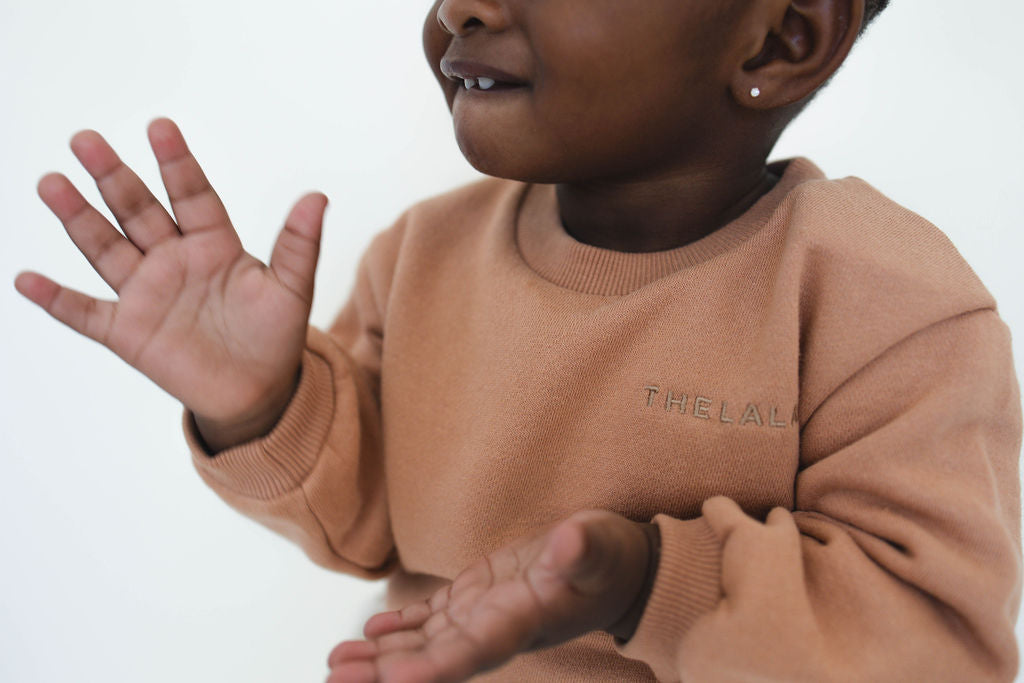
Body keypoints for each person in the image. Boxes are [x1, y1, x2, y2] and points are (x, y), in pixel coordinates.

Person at [13, 0, 1022, 680]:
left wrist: (640, 579)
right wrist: (261, 401)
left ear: (776, 42)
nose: (465, 10)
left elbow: (929, 642)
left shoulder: (885, 300)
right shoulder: (425, 252)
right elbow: (366, 520)